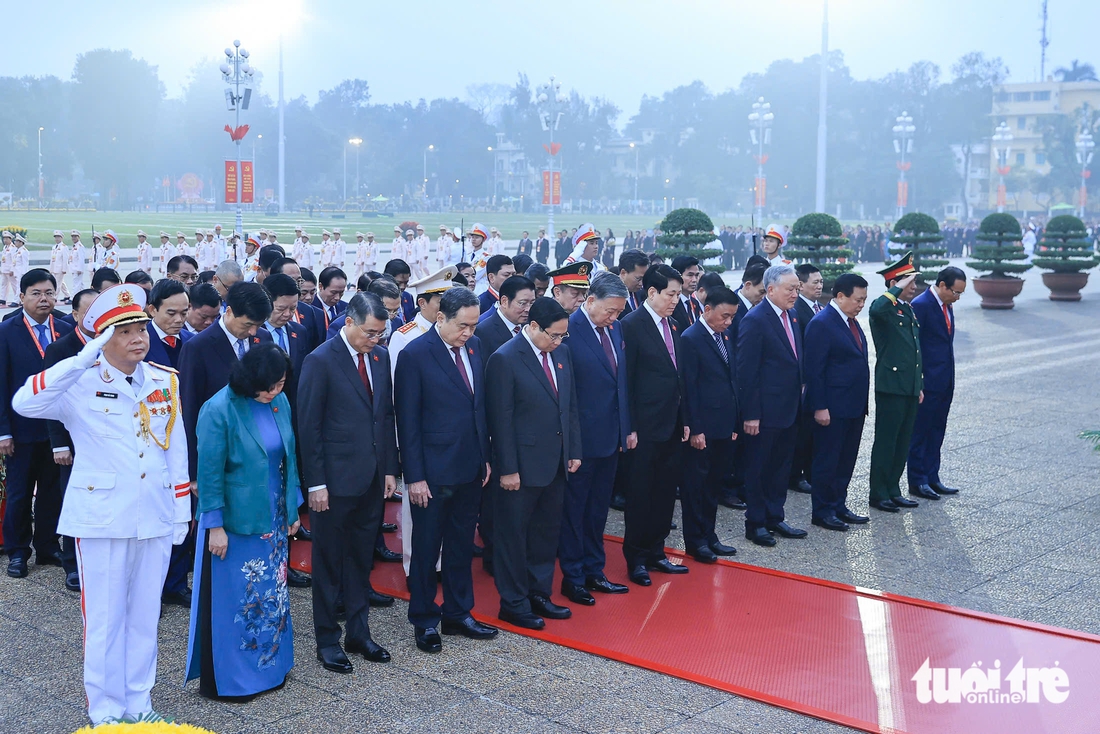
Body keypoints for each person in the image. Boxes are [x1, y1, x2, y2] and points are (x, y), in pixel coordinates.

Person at [13, 284, 189, 726]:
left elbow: (176, 448)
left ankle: (138, 702)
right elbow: (24, 402)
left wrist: (181, 512)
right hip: (102, 518)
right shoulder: (79, 382)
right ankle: (106, 710)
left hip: (154, 512)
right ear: (100, 337)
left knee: (145, 617)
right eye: (124, 331)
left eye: (140, 328)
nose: (138, 338)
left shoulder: (163, 380)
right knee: (106, 620)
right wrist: (79, 360)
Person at [186, 343, 300, 700]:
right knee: (240, 599)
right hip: (237, 519)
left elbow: (288, 459)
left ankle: (274, 665)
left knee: (274, 594)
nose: (275, 391)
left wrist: (292, 509)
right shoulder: (218, 409)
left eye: (281, 383)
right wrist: (214, 525)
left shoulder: (278, 401)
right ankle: (235, 679)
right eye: (269, 386)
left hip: (274, 514)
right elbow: (209, 474)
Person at [298, 292, 398, 672]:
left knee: (360, 559)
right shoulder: (320, 360)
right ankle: (327, 639)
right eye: (371, 332)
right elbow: (310, 427)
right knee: (328, 562)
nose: (376, 339)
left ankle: (359, 632)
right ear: (350, 322)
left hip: (371, 478)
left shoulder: (380, 356)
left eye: (380, 333)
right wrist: (316, 483)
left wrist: (389, 468)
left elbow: (383, 416)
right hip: (333, 483)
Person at [394, 286, 496, 654]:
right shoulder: (415, 355)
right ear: (441, 317)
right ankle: (424, 618)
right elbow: (408, 422)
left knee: (460, 545)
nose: (469, 332)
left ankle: (458, 612)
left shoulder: (476, 346)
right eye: (463, 326)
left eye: (473, 325)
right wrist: (415, 476)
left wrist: (484, 456)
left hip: (470, 467)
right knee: (426, 548)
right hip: (432, 473)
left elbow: (477, 408)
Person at [486, 297, 582, 629]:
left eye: (562, 337)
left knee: (545, 533)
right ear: (533, 327)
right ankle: (513, 602)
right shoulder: (506, 358)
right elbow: (501, 420)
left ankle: (539, 593)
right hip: (520, 467)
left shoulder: (562, 354)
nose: (557, 342)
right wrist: (508, 468)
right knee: (513, 536)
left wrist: (573, 449)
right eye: (553, 336)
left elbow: (569, 406)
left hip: (555, 461)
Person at [558, 272, 631, 604]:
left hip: (610, 438)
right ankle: (572, 577)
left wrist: (626, 428)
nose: (614, 318)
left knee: (598, 510)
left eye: (618, 312)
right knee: (575, 512)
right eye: (610, 311)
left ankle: (594, 570)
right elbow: (566, 396)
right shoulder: (568, 332)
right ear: (589, 301)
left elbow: (621, 385)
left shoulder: (614, 328)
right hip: (581, 442)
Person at [0, 269, 74, 578]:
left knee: (51, 492)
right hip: (21, 429)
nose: (44, 299)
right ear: (21, 297)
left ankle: (47, 545)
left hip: (56, 430)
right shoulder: (6, 331)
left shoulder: (66, 328)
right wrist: (3, 431)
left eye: (49, 293)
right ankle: (18, 551)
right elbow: (2, 384)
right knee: (19, 492)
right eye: (36, 293)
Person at [620, 264, 689, 586]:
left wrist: (686, 419)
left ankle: (657, 551)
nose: (676, 299)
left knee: (664, 493)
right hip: (644, 428)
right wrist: (629, 426)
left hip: (672, 425)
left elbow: (680, 378)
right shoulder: (631, 326)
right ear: (651, 292)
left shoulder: (674, 324)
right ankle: (636, 559)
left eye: (679, 294)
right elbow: (627, 382)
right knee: (641, 494)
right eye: (671, 294)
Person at [737, 264, 807, 547]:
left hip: (789, 408)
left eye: (797, 289)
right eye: (791, 289)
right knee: (758, 468)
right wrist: (751, 413)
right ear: (771, 289)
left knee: (780, 468)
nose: (795, 294)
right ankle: (756, 523)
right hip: (764, 412)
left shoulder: (791, 316)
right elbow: (746, 371)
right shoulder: (756, 319)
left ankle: (775, 516)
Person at [472, 274, 535, 573]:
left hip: (524, 428)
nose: (527, 309)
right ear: (503, 300)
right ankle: (493, 553)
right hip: (495, 429)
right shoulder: (484, 332)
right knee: (494, 499)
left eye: (531, 303)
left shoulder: (528, 331)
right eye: (522, 303)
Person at [804, 273, 872, 531]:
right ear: (840, 296)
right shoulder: (822, 323)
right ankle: (822, 511)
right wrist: (820, 406)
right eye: (858, 299)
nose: (861, 304)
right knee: (827, 460)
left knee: (846, 460)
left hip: (853, 406)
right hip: (832, 408)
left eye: (864, 300)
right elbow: (814, 370)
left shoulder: (850, 322)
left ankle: (838, 504)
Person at [679, 285, 741, 562]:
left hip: (724, 424)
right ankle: (695, 540)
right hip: (703, 427)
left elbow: (731, 382)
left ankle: (710, 534)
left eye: (732, 317)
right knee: (696, 486)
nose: (728, 322)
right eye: (724, 316)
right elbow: (689, 387)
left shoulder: (724, 336)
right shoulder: (691, 338)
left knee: (714, 483)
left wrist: (735, 423)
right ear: (707, 310)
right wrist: (696, 428)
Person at [42, 288, 98, 592]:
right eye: (87, 312)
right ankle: (73, 564)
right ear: (74, 314)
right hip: (72, 442)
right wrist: (59, 443)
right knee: (74, 501)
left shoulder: (114, 343)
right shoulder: (60, 348)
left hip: (105, 438)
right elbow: (53, 399)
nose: (94, 318)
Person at [867, 254, 923, 513]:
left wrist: (918, 385)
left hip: (909, 386)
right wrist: (896, 288)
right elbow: (877, 307)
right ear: (895, 282)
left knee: (902, 441)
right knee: (887, 441)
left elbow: (913, 351)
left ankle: (893, 489)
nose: (914, 286)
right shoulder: (886, 309)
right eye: (909, 281)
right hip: (891, 386)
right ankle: (879, 492)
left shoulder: (907, 309)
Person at [908, 266, 966, 498]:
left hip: (944, 380)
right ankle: (918, 480)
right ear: (942, 285)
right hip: (928, 382)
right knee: (920, 432)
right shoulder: (921, 306)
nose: (957, 298)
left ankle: (933, 476)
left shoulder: (946, 305)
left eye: (961, 294)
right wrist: (919, 380)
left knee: (937, 430)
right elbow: (915, 347)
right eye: (955, 292)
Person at [789, 263, 825, 495]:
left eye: (821, 282)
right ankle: (796, 474)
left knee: (812, 431)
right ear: (800, 285)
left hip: (816, 378)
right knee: (800, 432)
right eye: (816, 282)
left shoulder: (819, 307)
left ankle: (810, 472)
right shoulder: (796, 309)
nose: (820, 286)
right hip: (801, 380)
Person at [144, 279, 193, 370]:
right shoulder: (140, 342)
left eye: (183, 313)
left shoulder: (193, 341)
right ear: (153, 310)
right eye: (171, 313)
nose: (179, 320)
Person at [313, 267, 348, 331]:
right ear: (320, 286)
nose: (337, 298)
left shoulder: (346, 309)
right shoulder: (310, 310)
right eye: (333, 292)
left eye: (341, 292)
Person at [617, 249, 649, 316]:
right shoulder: (609, 295)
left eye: (644, 279)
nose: (641, 284)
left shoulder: (643, 294)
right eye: (638, 279)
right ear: (623, 273)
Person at [50, 230, 72, 302]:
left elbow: (65, 259)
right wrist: (51, 268)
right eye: (55, 237)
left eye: (58, 237)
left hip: (60, 268)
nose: (56, 239)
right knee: (61, 282)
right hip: (54, 268)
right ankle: (67, 295)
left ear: (61, 238)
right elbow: (52, 259)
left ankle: (54, 297)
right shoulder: (54, 247)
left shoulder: (64, 247)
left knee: (57, 283)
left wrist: (64, 269)